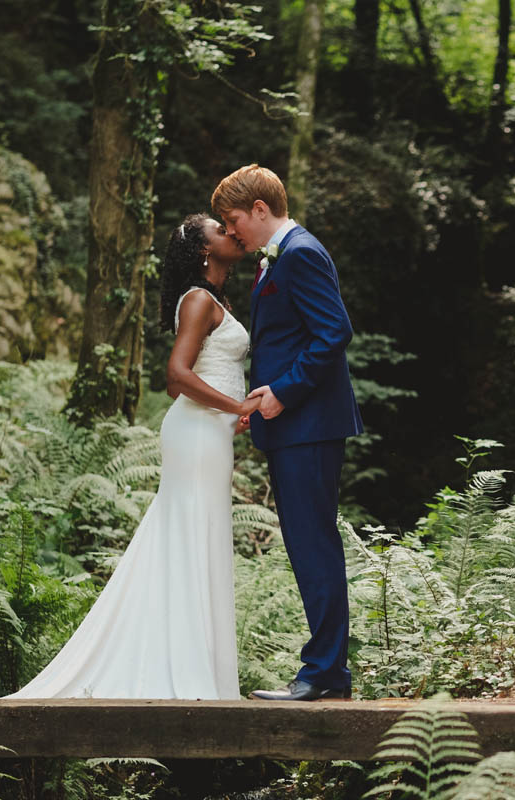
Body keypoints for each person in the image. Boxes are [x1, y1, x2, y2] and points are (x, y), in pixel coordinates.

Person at [5, 214, 258, 700]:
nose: (231, 233)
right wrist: (238, 405)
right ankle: (187, 680)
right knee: (191, 539)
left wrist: (235, 408)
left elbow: (215, 369)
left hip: (210, 434)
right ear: (205, 251)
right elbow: (177, 376)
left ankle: (198, 672)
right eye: (220, 231)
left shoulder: (216, 299)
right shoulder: (201, 300)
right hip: (197, 434)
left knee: (195, 541)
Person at [212, 164, 363, 701]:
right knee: (307, 545)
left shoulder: (298, 252)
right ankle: (327, 673)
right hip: (296, 423)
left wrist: (283, 392)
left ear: (259, 209)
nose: (231, 233)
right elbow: (292, 338)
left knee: (312, 544)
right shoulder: (281, 255)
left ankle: (323, 675)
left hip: (309, 423)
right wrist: (263, 394)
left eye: (233, 221)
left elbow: (333, 333)